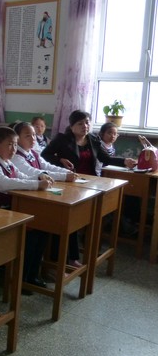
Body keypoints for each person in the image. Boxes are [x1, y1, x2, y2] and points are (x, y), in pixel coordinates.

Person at [41, 110, 136, 267]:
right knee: (70, 220)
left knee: (83, 220)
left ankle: (77, 255)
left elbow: (105, 158)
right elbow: (44, 156)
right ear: (72, 126)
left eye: (87, 122)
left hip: (89, 184)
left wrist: (124, 161)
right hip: (69, 183)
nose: (85, 126)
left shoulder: (92, 138)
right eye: (80, 123)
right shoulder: (62, 139)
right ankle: (66, 259)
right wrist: (60, 159)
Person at [0, 126, 53, 291]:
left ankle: (32, 275)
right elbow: (7, 184)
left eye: (15, 144)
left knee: (42, 229)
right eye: (9, 144)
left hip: (11, 211)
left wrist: (39, 176)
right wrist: (37, 184)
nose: (13, 149)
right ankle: (20, 278)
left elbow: (22, 176)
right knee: (31, 234)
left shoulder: (8, 163)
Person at [12, 122, 76, 182]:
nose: (33, 138)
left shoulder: (33, 153)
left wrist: (66, 172)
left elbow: (47, 166)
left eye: (34, 135)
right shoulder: (15, 156)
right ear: (17, 138)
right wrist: (64, 176)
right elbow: (33, 172)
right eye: (28, 136)